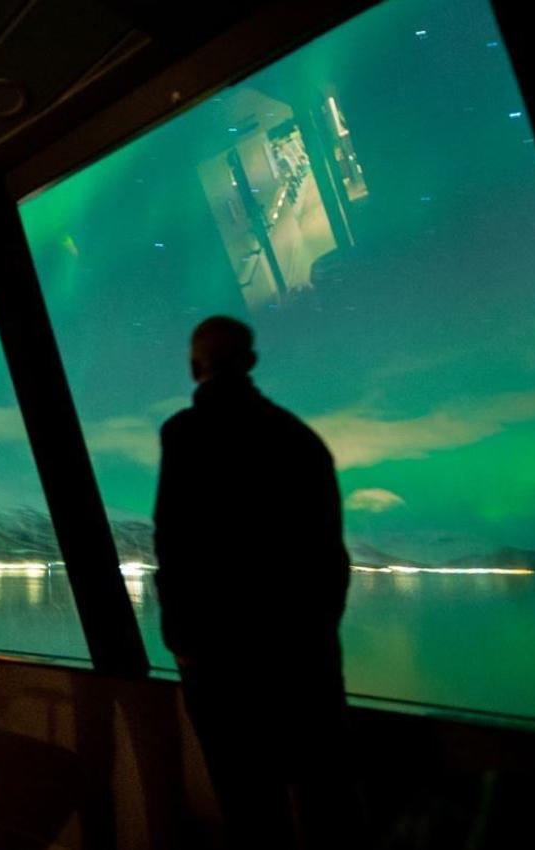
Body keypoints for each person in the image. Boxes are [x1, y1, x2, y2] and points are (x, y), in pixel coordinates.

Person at [153, 316, 356, 848]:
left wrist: (182, 641)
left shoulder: (185, 434)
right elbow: (330, 558)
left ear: (194, 367)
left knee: (249, 807)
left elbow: (175, 542)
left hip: (220, 659)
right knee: (323, 805)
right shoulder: (302, 439)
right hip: (305, 655)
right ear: (251, 362)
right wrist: (316, 633)